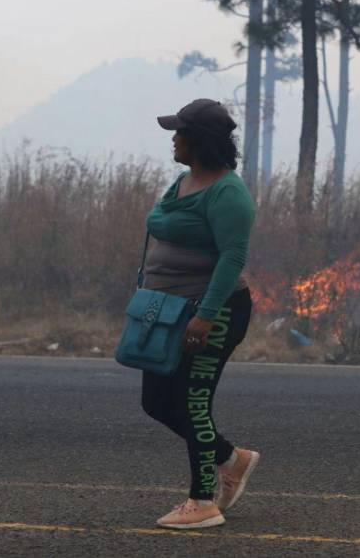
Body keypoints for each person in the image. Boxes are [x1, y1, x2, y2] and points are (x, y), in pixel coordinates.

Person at [140, 98, 259, 529]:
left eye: (180, 133)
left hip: (214, 311)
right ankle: (231, 458)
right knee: (155, 401)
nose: (173, 139)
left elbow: (232, 257)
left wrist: (205, 316)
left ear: (200, 141)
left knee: (192, 402)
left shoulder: (229, 193)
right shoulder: (182, 182)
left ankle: (202, 501)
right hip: (168, 309)